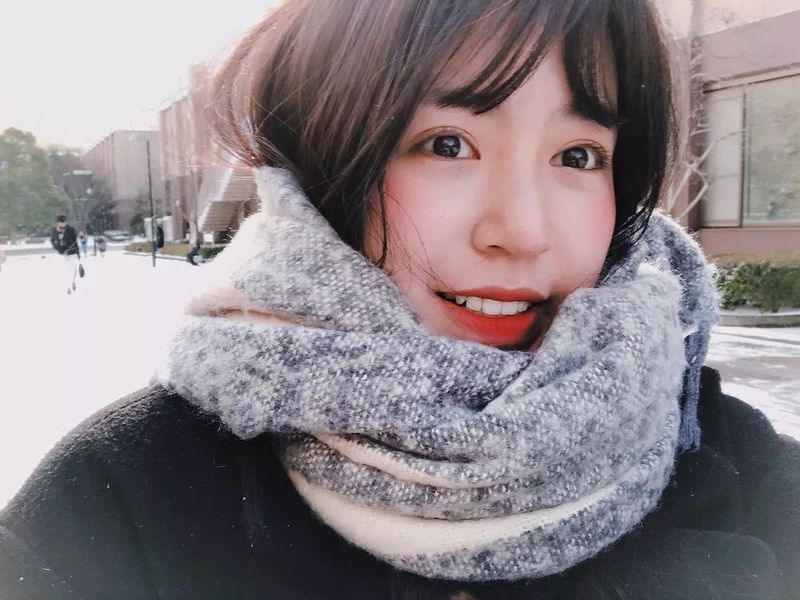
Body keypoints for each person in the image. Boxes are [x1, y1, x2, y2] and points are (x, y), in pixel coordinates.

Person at [2, 2, 799, 599]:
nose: (522, 231)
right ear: (324, 170)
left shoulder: (741, 466)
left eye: (579, 155)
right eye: (447, 144)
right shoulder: (120, 503)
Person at [49, 215, 80, 295]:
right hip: (62, 254)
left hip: (72, 252)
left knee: (75, 270)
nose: (62, 224)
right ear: (58, 223)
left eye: (64, 222)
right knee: (67, 270)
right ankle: (68, 287)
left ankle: (73, 281)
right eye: (61, 222)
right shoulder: (54, 230)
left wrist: (78, 252)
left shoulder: (71, 229)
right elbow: (52, 241)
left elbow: (75, 241)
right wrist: (58, 248)